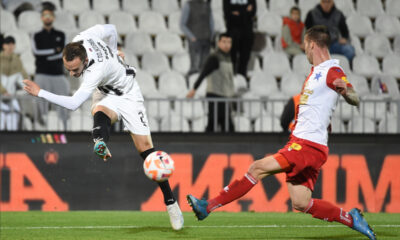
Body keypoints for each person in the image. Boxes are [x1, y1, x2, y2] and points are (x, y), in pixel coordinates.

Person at [187, 25, 376, 240]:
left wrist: (346, 90)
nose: (305, 50)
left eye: (305, 45)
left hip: (307, 145)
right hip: (306, 143)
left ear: (312, 44)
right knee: (301, 202)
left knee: (257, 168)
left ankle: (207, 206)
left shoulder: (332, 70)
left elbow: (354, 96)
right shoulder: (315, 73)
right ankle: (351, 219)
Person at [23, 24, 184, 230]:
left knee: (147, 153)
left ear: (85, 60)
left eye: (75, 70)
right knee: (100, 111)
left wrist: (40, 93)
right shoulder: (82, 38)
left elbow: (73, 104)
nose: (72, 74)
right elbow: (111, 28)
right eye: (68, 69)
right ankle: (100, 141)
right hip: (105, 92)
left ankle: (171, 204)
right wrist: (114, 50)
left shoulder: (95, 70)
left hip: (128, 94)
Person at [186, 33, 235, 132]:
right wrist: (194, 89)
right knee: (216, 125)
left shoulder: (229, 58)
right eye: (224, 42)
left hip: (225, 96)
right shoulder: (214, 58)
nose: (227, 45)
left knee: (224, 126)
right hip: (215, 96)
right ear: (219, 43)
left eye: (229, 42)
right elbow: (203, 74)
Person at [32, 2, 69, 129]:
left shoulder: (61, 34)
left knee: (63, 105)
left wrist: (47, 56)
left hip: (58, 74)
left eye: (50, 15)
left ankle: (65, 131)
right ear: (42, 17)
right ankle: (38, 132)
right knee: (40, 107)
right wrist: (54, 51)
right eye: (45, 15)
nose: (47, 17)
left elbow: (63, 54)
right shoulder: (36, 35)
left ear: (53, 17)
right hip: (41, 74)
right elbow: (37, 53)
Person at [0, 36, 29, 130]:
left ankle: (12, 141)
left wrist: (28, 86)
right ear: (4, 46)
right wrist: (3, 91)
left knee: (13, 119)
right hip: (1, 94)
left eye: (12, 44)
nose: (10, 46)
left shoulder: (17, 60)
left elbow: (23, 74)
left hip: (11, 94)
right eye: (8, 44)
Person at [180, 0, 214, 76]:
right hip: (195, 41)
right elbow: (182, 24)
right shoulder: (189, 5)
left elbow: (211, 22)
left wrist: (211, 36)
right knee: (194, 68)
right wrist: (191, 37)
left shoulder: (207, 5)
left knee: (204, 69)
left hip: (207, 40)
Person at [223, 0, 256, 77]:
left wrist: (237, 13)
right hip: (232, 30)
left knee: (245, 57)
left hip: (247, 31)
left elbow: (253, 12)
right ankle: (232, 78)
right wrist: (245, 11)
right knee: (231, 57)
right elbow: (227, 13)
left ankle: (242, 79)